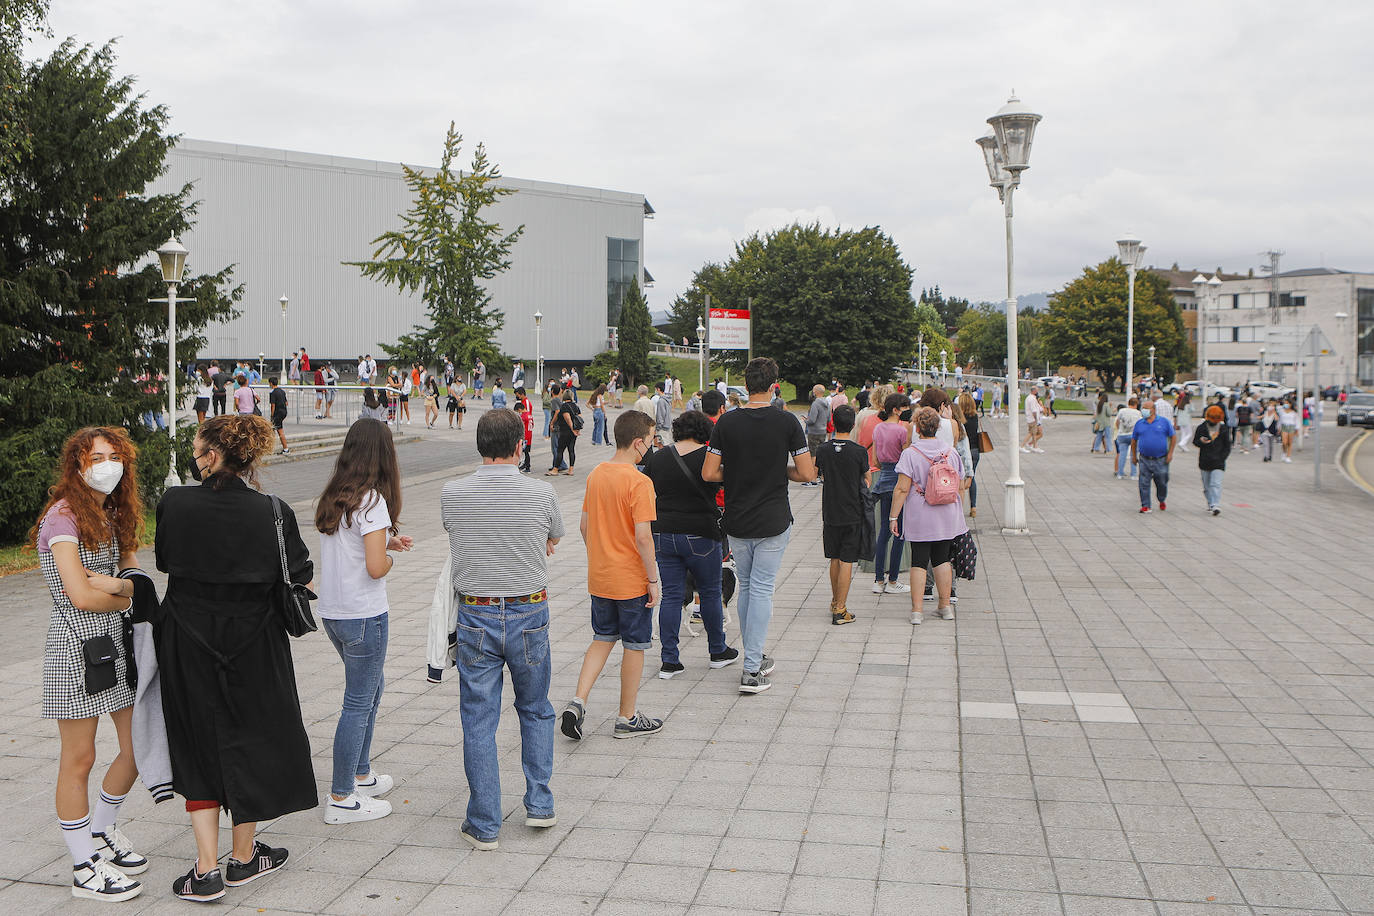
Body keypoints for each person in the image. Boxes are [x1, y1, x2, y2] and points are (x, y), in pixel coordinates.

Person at [154, 414, 315, 901]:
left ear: (213, 454)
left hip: (186, 639)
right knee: (250, 738)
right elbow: (302, 578)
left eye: (198, 448)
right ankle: (243, 858)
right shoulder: (272, 510)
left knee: (196, 741)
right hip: (255, 642)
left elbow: (165, 562)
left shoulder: (175, 503)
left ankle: (205, 869)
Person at [441, 409, 564, 849]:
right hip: (529, 612)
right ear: (520, 446)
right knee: (535, 707)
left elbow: (458, 537)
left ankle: (485, 822)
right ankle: (540, 804)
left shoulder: (451, 493)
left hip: (475, 616)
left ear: (480, 446)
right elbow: (551, 540)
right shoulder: (541, 492)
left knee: (478, 718)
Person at [34, 427, 147, 902]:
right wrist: (121, 595)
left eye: (115, 456)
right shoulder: (62, 518)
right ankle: (84, 866)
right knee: (79, 758)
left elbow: (134, 575)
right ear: (77, 465)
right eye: (97, 456)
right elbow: (79, 595)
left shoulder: (113, 512)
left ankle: (101, 832)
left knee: (138, 747)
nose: (108, 464)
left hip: (114, 647)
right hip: (73, 652)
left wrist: (118, 586)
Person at [315, 420, 412, 825]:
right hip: (364, 615)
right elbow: (374, 568)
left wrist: (383, 541)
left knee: (371, 688)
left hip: (335, 614)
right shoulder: (373, 501)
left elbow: (351, 547)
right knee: (357, 703)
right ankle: (342, 795)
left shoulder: (337, 495)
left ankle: (361, 773)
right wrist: (389, 556)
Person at [702, 357, 817, 694]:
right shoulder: (788, 422)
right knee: (763, 588)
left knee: (748, 586)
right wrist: (778, 471)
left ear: (746, 384)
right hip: (773, 518)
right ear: (773, 386)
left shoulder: (726, 423)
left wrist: (737, 474)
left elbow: (709, 473)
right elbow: (808, 473)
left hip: (737, 519)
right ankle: (752, 668)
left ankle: (753, 654)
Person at [561, 410, 664, 739]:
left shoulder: (596, 475)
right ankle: (627, 717)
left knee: (602, 639)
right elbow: (644, 537)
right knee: (635, 645)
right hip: (631, 579)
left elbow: (583, 525)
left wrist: (601, 556)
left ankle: (578, 701)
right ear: (638, 443)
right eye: (650, 441)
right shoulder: (640, 481)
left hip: (601, 577)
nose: (652, 447)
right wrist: (653, 580)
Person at [642, 410, 739, 677]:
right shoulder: (709, 458)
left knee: (671, 595)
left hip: (663, 533)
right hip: (701, 534)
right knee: (709, 592)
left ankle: (669, 660)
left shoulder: (659, 458)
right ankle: (717, 650)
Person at [887, 407, 966, 625]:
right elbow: (959, 484)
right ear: (938, 427)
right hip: (947, 513)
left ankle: (917, 611)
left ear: (917, 428)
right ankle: (945, 606)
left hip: (920, 514)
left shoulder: (911, 453)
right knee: (942, 559)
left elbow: (902, 489)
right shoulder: (951, 452)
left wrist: (894, 517)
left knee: (919, 561)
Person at [816, 405, 868, 626]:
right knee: (847, 559)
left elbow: (818, 473)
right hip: (852, 510)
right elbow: (866, 480)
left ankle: (835, 599)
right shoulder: (858, 451)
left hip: (830, 509)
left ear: (833, 423)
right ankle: (841, 608)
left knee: (834, 557)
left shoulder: (823, 449)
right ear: (853, 424)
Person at [869, 394, 912, 594]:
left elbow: (875, 461)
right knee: (899, 532)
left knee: (884, 532)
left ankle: (878, 580)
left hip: (883, 480)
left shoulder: (878, 428)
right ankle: (893, 580)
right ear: (897, 409)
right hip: (899, 481)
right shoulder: (902, 430)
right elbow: (907, 459)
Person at [1130, 398, 1176, 513]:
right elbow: (1134, 440)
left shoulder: (1164, 422)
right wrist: (1134, 456)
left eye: (1146, 408)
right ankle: (1146, 505)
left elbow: (1173, 437)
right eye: (1143, 408)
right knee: (1143, 482)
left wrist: (1170, 453)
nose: (1144, 410)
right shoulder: (1140, 423)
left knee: (1161, 480)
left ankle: (1161, 499)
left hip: (1161, 458)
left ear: (1154, 410)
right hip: (1144, 458)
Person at [1193, 404, 1231, 515]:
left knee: (1215, 484)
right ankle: (1210, 503)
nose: (1214, 421)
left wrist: (1222, 458)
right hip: (1205, 461)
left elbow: (1227, 446)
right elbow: (1195, 442)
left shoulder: (1223, 429)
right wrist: (1201, 441)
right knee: (1206, 486)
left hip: (1218, 462)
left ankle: (1215, 505)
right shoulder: (1202, 428)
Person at [958, 391, 981, 519]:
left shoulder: (960, 420)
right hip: (975, 450)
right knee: (972, 477)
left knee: (960, 478)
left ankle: (959, 505)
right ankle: (973, 507)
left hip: (963, 451)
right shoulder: (975, 416)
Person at [548, 387, 581, 476]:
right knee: (571, 450)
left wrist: (572, 429)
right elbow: (579, 419)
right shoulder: (576, 406)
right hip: (573, 432)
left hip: (565, 431)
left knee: (560, 450)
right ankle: (571, 470)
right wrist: (577, 430)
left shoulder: (564, 406)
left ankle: (555, 469)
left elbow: (567, 418)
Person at [804, 384, 830, 485]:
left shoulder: (815, 404)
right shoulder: (827, 403)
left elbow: (812, 420)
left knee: (813, 454)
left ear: (816, 392)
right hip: (823, 431)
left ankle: (813, 478)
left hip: (814, 432)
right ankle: (822, 477)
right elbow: (828, 418)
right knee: (822, 454)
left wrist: (806, 420)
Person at [1113, 397, 1143, 479]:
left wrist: (1119, 429)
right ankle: (1133, 474)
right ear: (1136, 404)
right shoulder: (1138, 413)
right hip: (1133, 435)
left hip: (1122, 434)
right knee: (1133, 454)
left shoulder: (1122, 411)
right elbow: (1140, 424)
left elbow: (1117, 422)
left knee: (1122, 454)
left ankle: (1120, 473)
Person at [268, 376, 290, 455]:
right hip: (283, 412)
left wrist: (272, 415)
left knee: (279, 431)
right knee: (273, 429)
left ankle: (285, 449)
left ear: (271, 383)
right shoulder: (282, 391)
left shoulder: (273, 393)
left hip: (277, 413)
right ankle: (271, 448)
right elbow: (286, 403)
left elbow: (272, 405)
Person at [514, 391, 534, 471]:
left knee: (524, 452)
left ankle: (527, 466)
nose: (519, 413)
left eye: (518, 411)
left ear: (520, 409)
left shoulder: (523, 416)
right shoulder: (529, 415)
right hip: (530, 435)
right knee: (526, 452)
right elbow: (532, 425)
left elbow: (520, 426)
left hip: (525, 436)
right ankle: (525, 465)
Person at [1021, 385, 1044, 452]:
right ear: (1033, 391)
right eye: (1036, 390)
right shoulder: (1032, 399)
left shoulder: (1031, 398)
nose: (1037, 392)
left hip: (1031, 418)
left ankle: (1035, 446)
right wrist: (1036, 419)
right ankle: (1022, 445)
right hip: (1033, 419)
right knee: (1031, 432)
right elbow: (1034, 410)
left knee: (1034, 433)